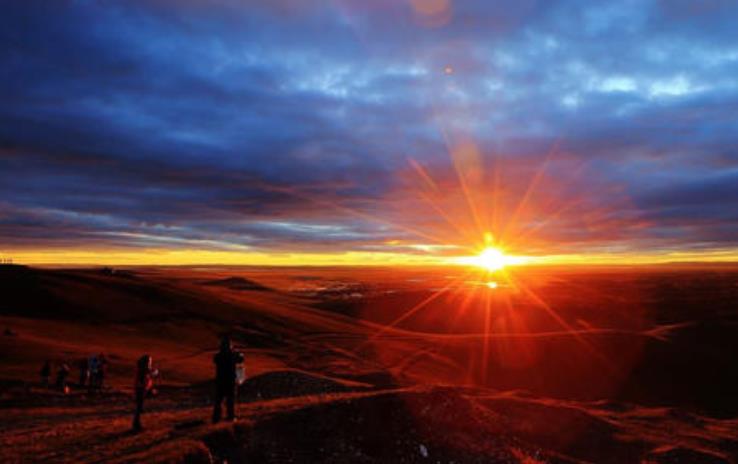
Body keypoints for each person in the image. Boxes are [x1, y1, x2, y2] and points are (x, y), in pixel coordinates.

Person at [212, 335, 244, 423]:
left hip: (220, 381)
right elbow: (241, 359)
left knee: (218, 401)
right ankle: (230, 417)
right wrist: (237, 353)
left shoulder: (218, 356)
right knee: (230, 401)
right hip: (230, 381)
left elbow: (215, 359)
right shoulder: (232, 355)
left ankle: (216, 418)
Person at [132, 354, 158, 432]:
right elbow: (147, 376)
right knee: (138, 408)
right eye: (149, 361)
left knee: (139, 407)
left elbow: (149, 374)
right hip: (140, 390)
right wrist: (155, 372)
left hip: (142, 389)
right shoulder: (142, 370)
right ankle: (136, 425)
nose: (150, 362)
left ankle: (137, 424)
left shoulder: (143, 369)